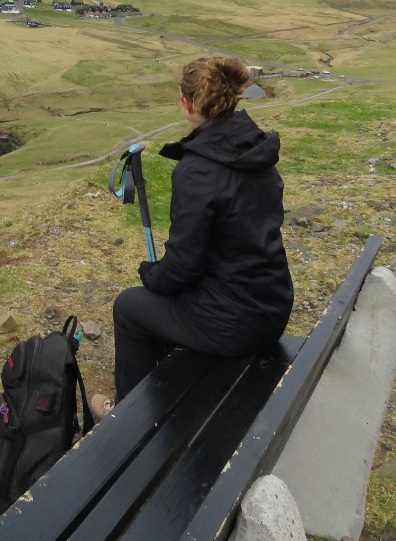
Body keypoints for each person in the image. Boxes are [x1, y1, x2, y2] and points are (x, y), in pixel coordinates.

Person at [92, 55, 293, 417]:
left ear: (187, 104)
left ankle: (127, 417)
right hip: (272, 306)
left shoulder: (197, 170)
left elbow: (183, 267)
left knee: (130, 306)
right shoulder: (256, 148)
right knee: (166, 299)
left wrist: (149, 274)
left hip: (235, 324)